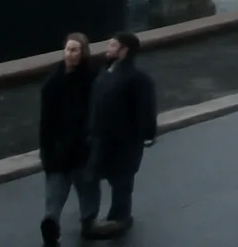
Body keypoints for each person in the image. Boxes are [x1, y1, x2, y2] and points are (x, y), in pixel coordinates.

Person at [85, 32, 157, 238]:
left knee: (122, 181)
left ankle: (120, 218)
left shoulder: (137, 79)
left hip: (124, 142)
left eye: (113, 45)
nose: (108, 47)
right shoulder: (106, 72)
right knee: (93, 176)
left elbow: (146, 110)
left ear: (124, 50)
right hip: (101, 138)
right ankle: (93, 215)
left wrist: (147, 134)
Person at [38, 33, 99, 245]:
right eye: (68, 49)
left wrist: (46, 152)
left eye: (74, 50)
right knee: (87, 190)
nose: (70, 54)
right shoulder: (91, 78)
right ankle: (87, 223)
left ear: (82, 52)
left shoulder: (53, 82)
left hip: (60, 150)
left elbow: (45, 123)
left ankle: (51, 222)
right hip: (79, 149)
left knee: (55, 193)